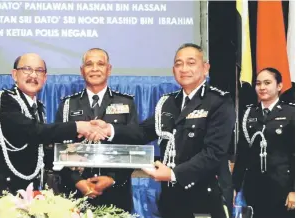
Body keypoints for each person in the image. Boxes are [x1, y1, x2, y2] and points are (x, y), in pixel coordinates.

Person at [92, 43, 235, 218]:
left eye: (191, 63)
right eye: (178, 64)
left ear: (205, 68)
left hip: (206, 195)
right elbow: (142, 132)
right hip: (172, 197)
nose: (184, 69)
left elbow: (214, 153)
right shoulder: (168, 102)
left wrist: (174, 174)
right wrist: (109, 129)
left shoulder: (219, 102)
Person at [0, 53, 107, 207]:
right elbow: (30, 131)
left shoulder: (38, 108)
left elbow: (38, 151)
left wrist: (70, 157)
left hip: (29, 192)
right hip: (1, 192)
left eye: (39, 71)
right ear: (14, 74)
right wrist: (77, 126)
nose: (33, 75)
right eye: (27, 69)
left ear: (45, 78)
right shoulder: (3, 100)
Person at [55, 48, 138, 212]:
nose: (94, 69)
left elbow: (133, 145)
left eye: (100, 64)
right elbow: (58, 149)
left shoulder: (126, 103)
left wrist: (111, 179)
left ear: (109, 69)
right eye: (89, 64)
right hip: (75, 194)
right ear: (81, 70)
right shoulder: (67, 105)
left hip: (116, 193)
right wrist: (77, 181)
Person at [233, 67, 295, 218]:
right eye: (258, 83)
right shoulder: (248, 114)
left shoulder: (291, 113)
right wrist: (234, 186)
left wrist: (294, 189)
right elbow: (242, 154)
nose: (262, 87)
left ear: (279, 86)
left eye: (267, 83)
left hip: (282, 187)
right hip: (254, 186)